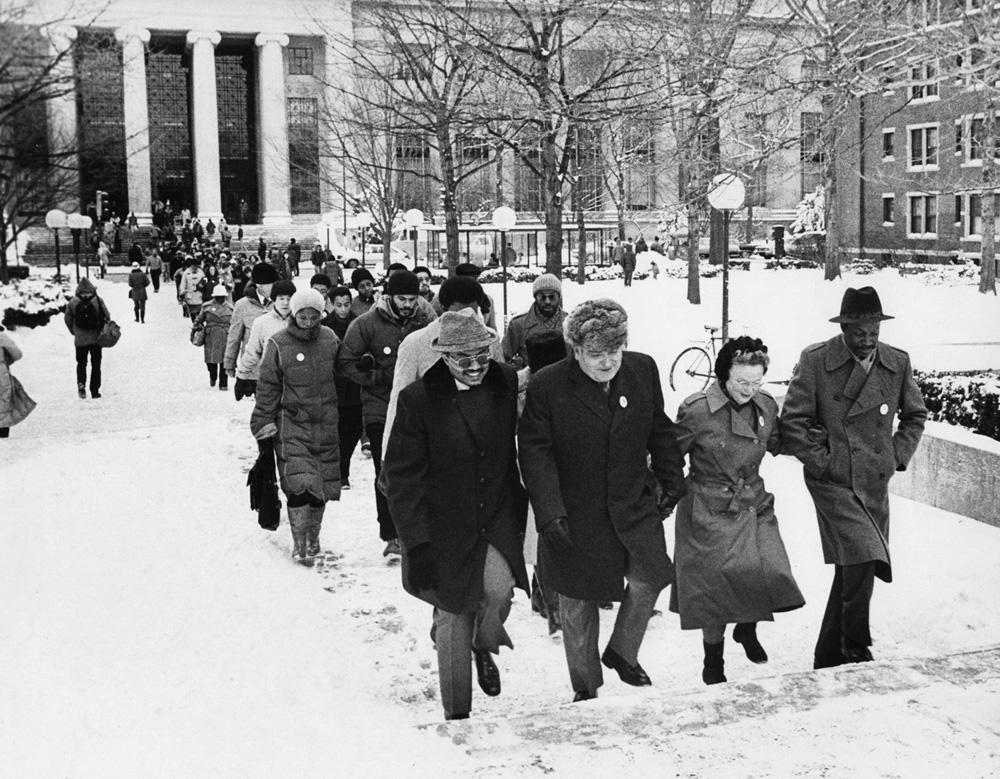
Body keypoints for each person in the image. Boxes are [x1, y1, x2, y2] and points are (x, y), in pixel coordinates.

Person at [518, 298, 686, 702]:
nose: (608, 362)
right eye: (596, 354)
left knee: (653, 573)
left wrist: (672, 478)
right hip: (576, 509)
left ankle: (622, 652)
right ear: (575, 350)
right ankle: (586, 685)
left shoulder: (642, 369)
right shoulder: (548, 385)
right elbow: (534, 453)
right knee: (578, 602)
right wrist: (549, 512)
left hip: (632, 499)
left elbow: (659, 430)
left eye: (614, 351)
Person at [384, 310, 528, 721]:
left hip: (495, 512)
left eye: (482, 354)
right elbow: (402, 478)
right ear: (443, 358)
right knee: (453, 612)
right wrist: (418, 544)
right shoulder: (418, 400)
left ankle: (483, 645)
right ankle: (458, 715)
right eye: (463, 358)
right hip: (441, 522)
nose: (475, 366)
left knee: (499, 590)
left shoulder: (500, 382)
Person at [780, 286, 926, 670]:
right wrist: (825, 462)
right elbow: (792, 422)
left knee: (854, 565)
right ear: (844, 327)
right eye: (859, 332)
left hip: (873, 480)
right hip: (833, 481)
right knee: (864, 554)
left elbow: (915, 415)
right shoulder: (816, 360)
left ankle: (827, 656)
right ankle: (856, 647)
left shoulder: (897, 362)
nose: (867, 340)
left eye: (874, 332)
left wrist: (895, 455)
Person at [671, 336, 805, 685]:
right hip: (709, 506)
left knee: (770, 570)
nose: (749, 390)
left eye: (757, 382)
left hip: (752, 501)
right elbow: (669, 458)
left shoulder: (765, 406)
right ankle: (713, 661)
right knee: (714, 591)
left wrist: (816, 440)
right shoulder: (698, 409)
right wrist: (657, 499)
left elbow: (776, 442)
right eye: (742, 382)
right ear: (723, 376)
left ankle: (746, 628)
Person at [337, 270, 436, 557]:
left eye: (412, 298)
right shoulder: (366, 324)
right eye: (401, 299)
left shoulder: (426, 321)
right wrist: (379, 377)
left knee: (422, 468)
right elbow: (346, 362)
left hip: (420, 406)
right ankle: (391, 533)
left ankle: (421, 528)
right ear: (389, 296)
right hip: (380, 407)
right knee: (387, 469)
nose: (407, 304)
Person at [251, 288, 341, 565]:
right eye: (303, 313)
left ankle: (313, 539)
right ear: (293, 312)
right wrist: (262, 421)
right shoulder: (278, 343)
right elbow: (267, 386)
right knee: (300, 484)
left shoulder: (330, 339)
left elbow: (345, 375)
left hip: (327, 424)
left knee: (321, 486)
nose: (308, 318)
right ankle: (299, 542)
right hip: (292, 424)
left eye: (314, 313)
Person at [384, 275, 501, 446]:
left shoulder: (489, 338)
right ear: (445, 310)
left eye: (472, 312)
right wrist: (388, 453)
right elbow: (399, 401)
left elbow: (498, 391)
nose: (466, 319)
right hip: (434, 440)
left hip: (480, 439)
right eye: (459, 313)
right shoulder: (416, 343)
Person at [518, 330, 571, 635]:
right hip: (536, 472)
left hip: (564, 470)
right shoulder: (524, 390)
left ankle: (548, 599)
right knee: (543, 537)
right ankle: (551, 606)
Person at [321, 286, 364, 490]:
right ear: (331, 304)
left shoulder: (360, 323)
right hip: (332, 386)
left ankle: (343, 469)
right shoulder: (323, 326)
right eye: (338, 305)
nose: (343, 309)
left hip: (355, 385)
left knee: (353, 430)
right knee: (334, 431)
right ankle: (335, 472)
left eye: (347, 304)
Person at [234, 279, 295, 398]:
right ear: (274, 299)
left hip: (295, 383)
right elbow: (252, 352)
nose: (285, 303)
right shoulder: (262, 323)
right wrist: (241, 377)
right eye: (281, 299)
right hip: (269, 382)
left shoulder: (300, 321)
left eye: (289, 299)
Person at [224, 262, 278, 396]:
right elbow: (234, 336)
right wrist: (229, 362)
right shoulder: (242, 305)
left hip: (279, 369)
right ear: (259, 285)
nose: (275, 287)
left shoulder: (282, 302)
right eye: (271, 284)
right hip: (254, 370)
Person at [501, 273, 566, 369]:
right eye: (542, 297)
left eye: (552, 297)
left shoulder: (570, 324)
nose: (547, 301)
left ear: (559, 297)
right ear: (535, 297)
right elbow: (503, 358)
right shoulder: (518, 325)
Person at [64, 278, 111, 399]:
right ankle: (95, 390)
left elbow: (67, 319)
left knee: (81, 363)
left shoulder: (73, 302)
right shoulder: (98, 300)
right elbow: (107, 316)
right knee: (96, 364)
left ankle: (81, 385)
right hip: (96, 339)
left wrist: (74, 331)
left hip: (80, 340)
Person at [194, 284, 235, 390]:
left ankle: (223, 383)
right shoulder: (206, 307)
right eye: (218, 296)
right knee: (210, 360)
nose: (220, 298)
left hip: (225, 335)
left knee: (224, 360)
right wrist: (198, 329)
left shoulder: (231, 308)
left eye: (222, 296)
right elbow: (198, 320)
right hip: (210, 336)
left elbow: (235, 323)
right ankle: (213, 376)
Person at [0, 325, 36, 438]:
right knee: (3, 405)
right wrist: (6, 361)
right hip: (1, 375)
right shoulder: (1, 337)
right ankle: (3, 437)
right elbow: (17, 353)